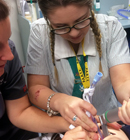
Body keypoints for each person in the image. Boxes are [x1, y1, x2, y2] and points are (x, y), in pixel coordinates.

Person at [25, 0, 130, 137]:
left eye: (81, 21)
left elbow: (123, 81)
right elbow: (36, 88)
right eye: (60, 26)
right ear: (48, 20)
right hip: (62, 125)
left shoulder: (111, 27)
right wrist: (58, 100)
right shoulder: (39, 32)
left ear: (90, 7)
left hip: (107, 120)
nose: (74, 33)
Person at [0, 0, 88, 140]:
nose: (9, 55)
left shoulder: (8, 56)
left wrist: (73, 125)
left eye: (8, 40)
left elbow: (20, 111)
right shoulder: (39, 33)